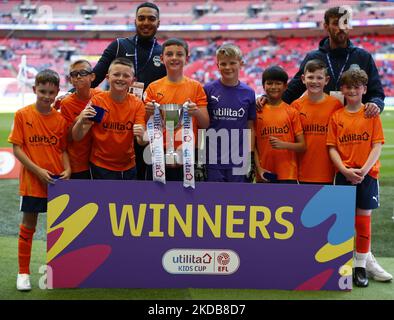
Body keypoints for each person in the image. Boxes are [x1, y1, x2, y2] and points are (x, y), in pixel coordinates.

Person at [327, 67, 392, 287]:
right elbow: (332, 148)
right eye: (348, 87)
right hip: (344, 175)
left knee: (363, 222)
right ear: (342, 89)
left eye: (357, 87)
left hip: (368, 175)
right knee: (343, 223)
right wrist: (344, 170)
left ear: (364, 89)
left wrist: (363, 170)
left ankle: (361, 266)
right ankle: (343, 265)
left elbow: (376, 146)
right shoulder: (336, 116)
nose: (353, 90)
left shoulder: (371, 115)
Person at [257, 6, 385, 117]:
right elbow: (293, 90)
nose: (341, 27)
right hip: (322, 123)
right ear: (326, 26)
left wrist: (375, 104)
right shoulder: (313, 57)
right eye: (336, 23)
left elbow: (376, 92)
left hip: (353, 122)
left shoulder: (363, 57)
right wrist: (269, 99)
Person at [8, 69, 71, 291]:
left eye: (51, 92)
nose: (46, 96)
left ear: (57, 93)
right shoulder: (22, 114)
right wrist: (37, 170)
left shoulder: (60, 119)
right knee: (29, 225)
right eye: (42, 91)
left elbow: (62, 149)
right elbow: (17, 148)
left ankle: (60, 272)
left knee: (60, 227)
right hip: (33, 181)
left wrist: (68, 168)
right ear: (35, 89)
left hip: (56, 181)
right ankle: (23, 273)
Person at [92, 2, 166, 180]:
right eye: (141, 18)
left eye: (151, 18)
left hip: (147, 124)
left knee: (143, 179)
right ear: (135, 21)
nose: (146, 22)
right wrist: (71, 92)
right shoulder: (119, 45)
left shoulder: (164, 52)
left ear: (158, 23)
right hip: (118, 125)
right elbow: (95, 76)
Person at [144, 38, 209, 181]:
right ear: (162, 58)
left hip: (186, 155)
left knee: (186, 201)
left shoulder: (196, 87)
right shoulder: (153, 88)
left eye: (179, 54)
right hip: (158, 154)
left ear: (187, 58)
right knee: (155, 199)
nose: (174, 58)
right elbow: (144, 124)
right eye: (169, 54)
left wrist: (196, 111)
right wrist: (147, 112)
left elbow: (205, 123)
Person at [72, 58, 146, 180]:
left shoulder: (137, 104)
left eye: (126, 75)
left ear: (133, 81)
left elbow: (141, 141)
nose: (121, 78)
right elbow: (77, 136)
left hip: (128, 167)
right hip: (100, 167)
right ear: (107, 77)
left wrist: (143, 136)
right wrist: (80, 120)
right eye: (116, 74)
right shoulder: (98, 102)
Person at [203, 43, 256, 182]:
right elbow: (202, 125)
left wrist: (249, 155)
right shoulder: (208, 90)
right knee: (213, 201)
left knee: (237, 201)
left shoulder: (249, 93)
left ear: (241, 64)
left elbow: (250, 127)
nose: (227, 67)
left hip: (238, 159)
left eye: (232, 63)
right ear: (217, 65)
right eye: (223, 64)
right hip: (213, 159)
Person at [290, 59, 343, 184]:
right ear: (303, 79)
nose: (315, 81)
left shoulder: (336, 105)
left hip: (330, 173)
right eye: (310, 77)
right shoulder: (295, 106)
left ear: (327, 80)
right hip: (301, 173)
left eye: (319, 78)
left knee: (326, 204)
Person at [254, 66, 305, 184]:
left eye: (278, 83)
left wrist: (284, 144)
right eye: (269, 83)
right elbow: (253, 146)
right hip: (264, 173)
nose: (273, 87)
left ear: (285, 86)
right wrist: (258, 168)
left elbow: (302, 146)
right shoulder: (257, 111)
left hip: (288, 173)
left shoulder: (291, 112)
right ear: (263, 86)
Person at [60, 59, 100, 179]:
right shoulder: (66, 103)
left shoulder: (101, 96)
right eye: (73, 74)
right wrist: (79, 118)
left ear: (92, 76)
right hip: (77, 162)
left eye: (82, 73)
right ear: (70, 79)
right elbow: (67, 137)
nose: (78, 77)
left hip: (99, 160)